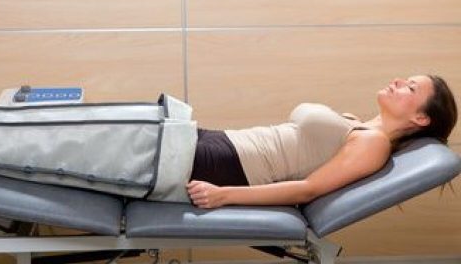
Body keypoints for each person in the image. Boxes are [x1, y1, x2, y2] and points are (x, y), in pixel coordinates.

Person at [187, 75, 458, 209]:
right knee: (158, 113)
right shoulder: (357, 124)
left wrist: (223, 195)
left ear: (421, 118)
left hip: (232, 164)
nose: (397, 81)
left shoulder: (374, 144)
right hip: (223, 141)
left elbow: (308, 189)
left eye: (410, 87)